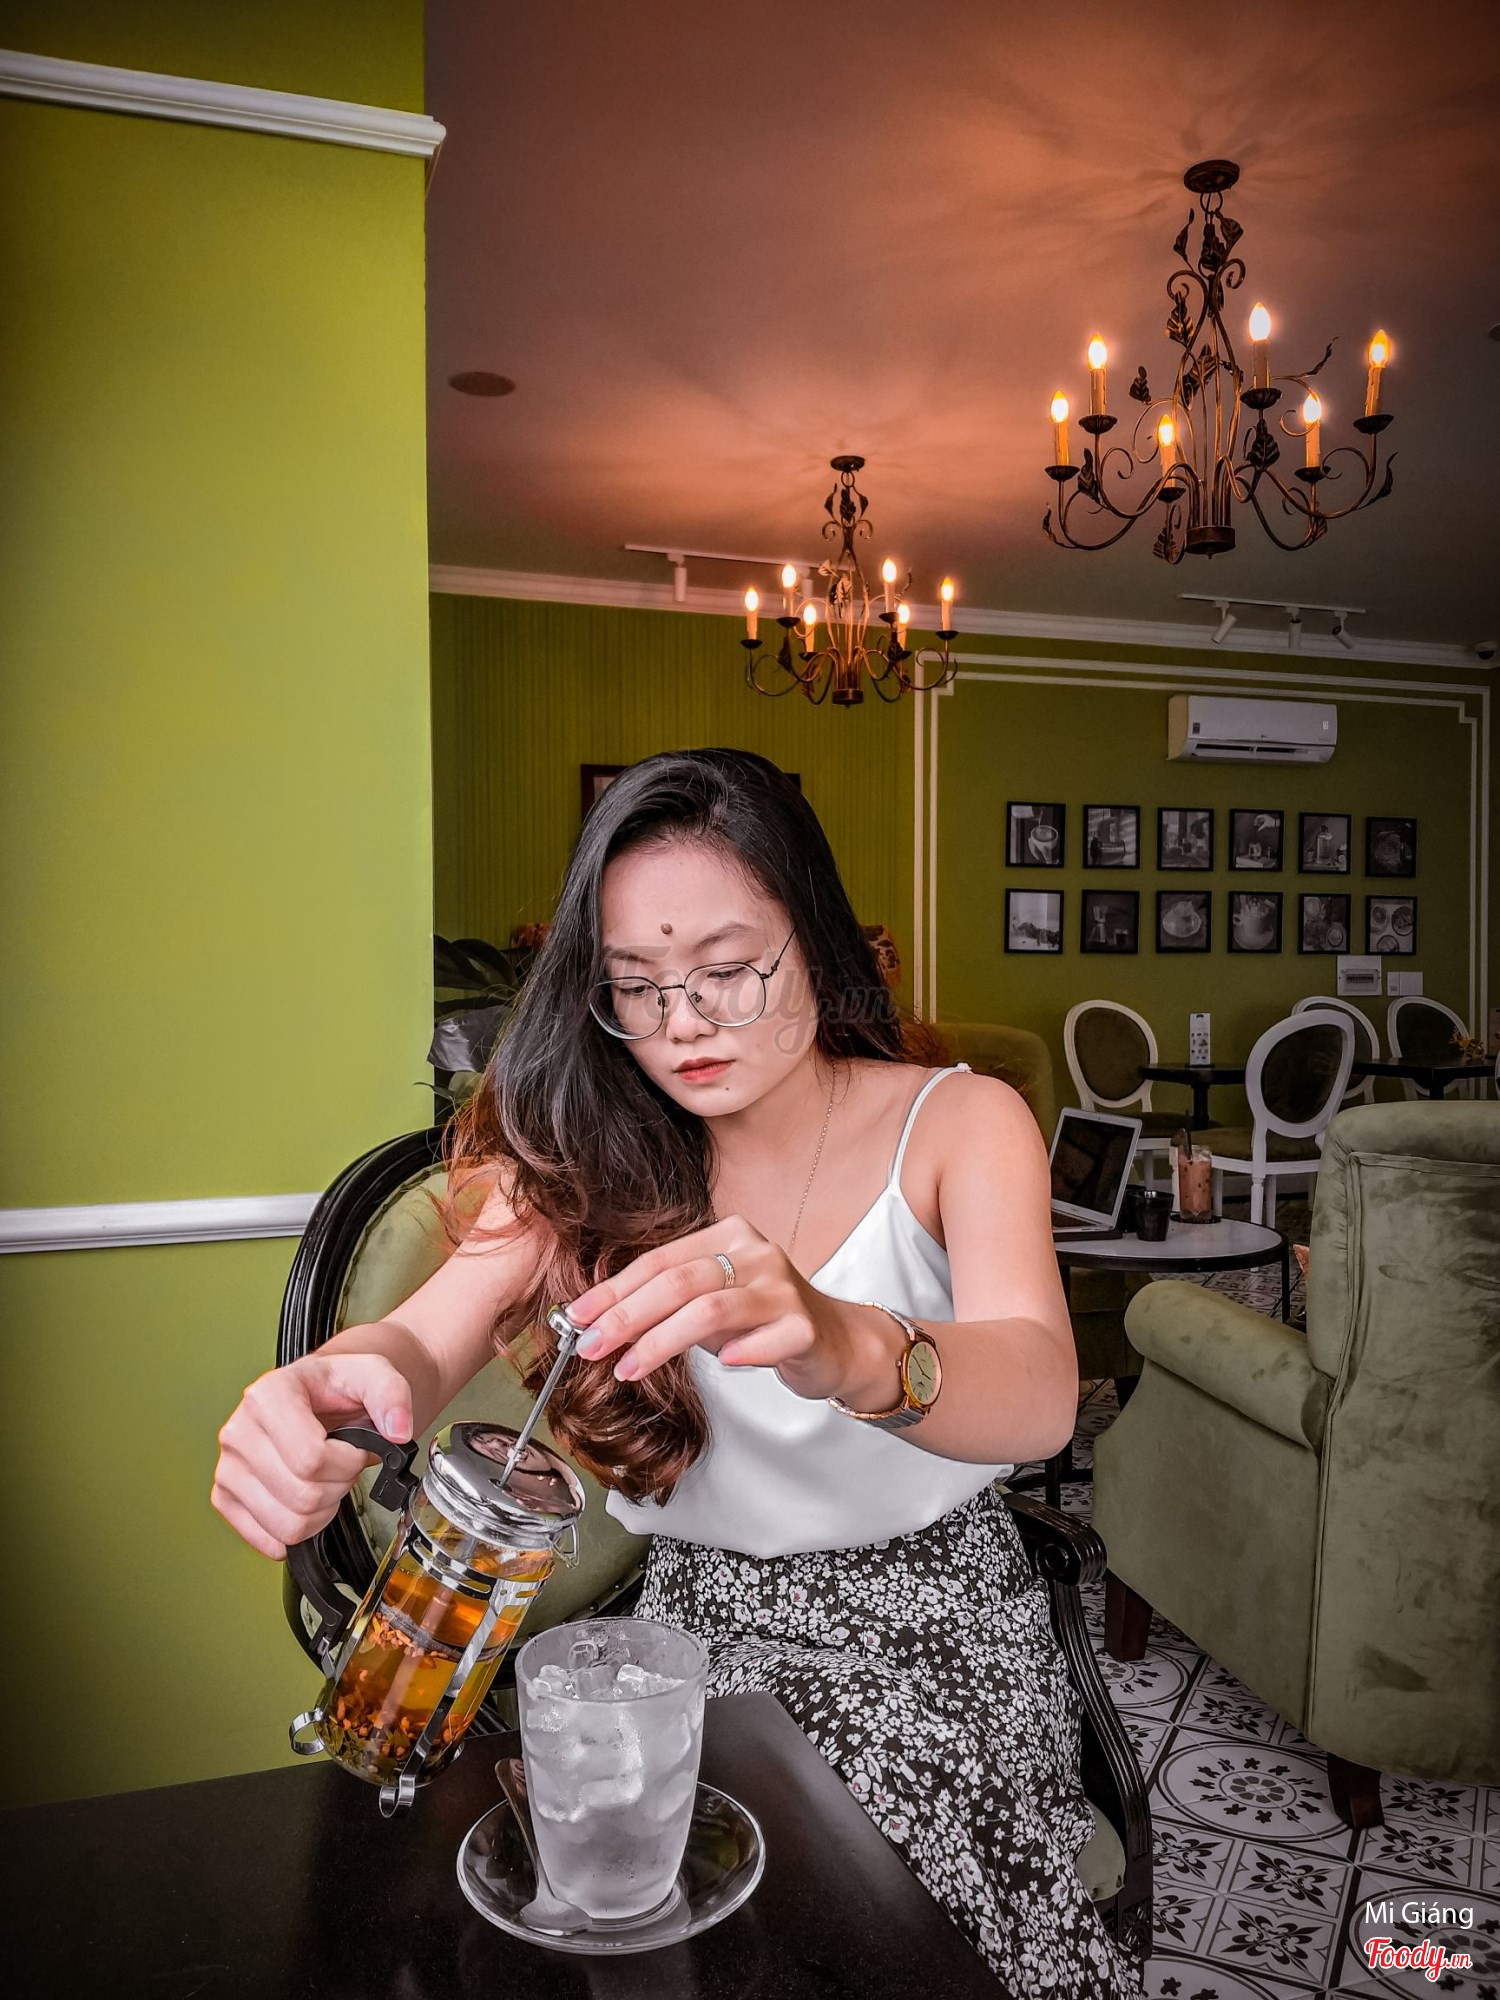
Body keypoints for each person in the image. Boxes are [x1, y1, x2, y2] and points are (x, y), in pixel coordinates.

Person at [212, 749, 1141, 1998]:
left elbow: (1036, 1388)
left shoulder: (958, 1122)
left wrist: (844, 1339)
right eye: (636, 986)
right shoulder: (592, 1151)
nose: (683, 1023)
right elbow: (419, 1343)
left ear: (817, 940)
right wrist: (326, 1389)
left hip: (938, 1627)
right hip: (700, 1639)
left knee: (842, 1874)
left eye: (728, 968)